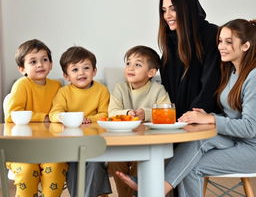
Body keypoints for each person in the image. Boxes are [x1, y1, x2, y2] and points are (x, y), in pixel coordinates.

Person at [118, 18, 256, 197]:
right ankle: (156, 184)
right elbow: (232, 114)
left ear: (245, 46)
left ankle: (157, 187)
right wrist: (207, 115)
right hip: (233, 140)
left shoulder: (253, 77)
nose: (221, 46)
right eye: (220, 41)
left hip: (250, 149)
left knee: (191, 168)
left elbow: (250, 128)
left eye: (229, 42)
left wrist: (212, 119)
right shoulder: (231, 72)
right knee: (195, 140)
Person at [5, 39, 67, 197]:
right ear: (22, 69)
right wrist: (44, 118)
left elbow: (61, 111)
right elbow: (12, 115)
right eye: (33, 61)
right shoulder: (21, 85)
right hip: (22, 149)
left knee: (55, 168)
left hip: (50, 148)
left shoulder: (57, 86)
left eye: (44, 60)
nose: (40, 64)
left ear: (51, 64)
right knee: (26, 171)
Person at [108, 45, 171, 197]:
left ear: (151, 72)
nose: (130, 68)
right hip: (123, 143)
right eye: (128, 63)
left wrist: (147, 113)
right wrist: (128, 113)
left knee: (142, 161)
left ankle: (138, 194)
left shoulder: (158, 90)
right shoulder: (120, 88)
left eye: (138, 64)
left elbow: (168, 115)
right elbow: (112, 112)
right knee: (115, 162)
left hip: (146, 144)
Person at [49, 46, 111, 197]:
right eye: (75, 69)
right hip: (71, 143)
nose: (81, 73)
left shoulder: (102, 90)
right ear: (66, 75)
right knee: (74, 167)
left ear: (94, 71)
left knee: (96, 165)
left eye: (86, 68)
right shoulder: (64, 92)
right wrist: (66, 119)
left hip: (95, 142)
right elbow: (54, 113)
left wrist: (90, 119)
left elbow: (105, 114)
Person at [159, 0, 221, 119]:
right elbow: (167, 92)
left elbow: (211, 83)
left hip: (202, 117)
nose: (167, 15)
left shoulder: (211, 34)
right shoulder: (170, 43)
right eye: (164, 10)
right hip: (175, 122)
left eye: (173, 9)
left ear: (186, 9)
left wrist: (191, 117)